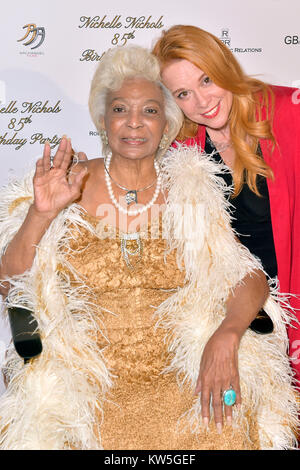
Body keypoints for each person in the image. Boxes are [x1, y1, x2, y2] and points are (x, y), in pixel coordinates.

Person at [0, 46, 297, 450]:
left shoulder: (188, 189)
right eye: (121, 109)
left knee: (228, 422)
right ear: (103, 120)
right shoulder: (67, 183)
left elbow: (244, 273)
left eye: (151, 111)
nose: (135, 123)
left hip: (186, 371)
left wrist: (227, 334)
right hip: (91, 380)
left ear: (167, 123)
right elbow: (11, 286)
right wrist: (41, 212)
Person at [152, 24, 300, 384]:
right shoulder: (180, 147)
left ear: (224, 67)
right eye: (183, 93)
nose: (202, 102)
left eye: (206, 80)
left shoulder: (289, 111)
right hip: (239, 310)